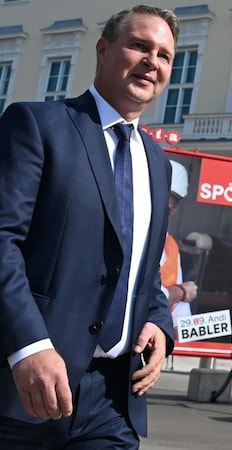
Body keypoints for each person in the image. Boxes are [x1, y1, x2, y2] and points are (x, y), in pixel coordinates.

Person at [0, 5, 180, 448]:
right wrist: (28, 347)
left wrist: (159, 324)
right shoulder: (38, 125)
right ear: (103, 50)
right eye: (139, 45)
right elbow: (3, 241)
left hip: (112, 402)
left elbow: (144, 266)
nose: (151, 62)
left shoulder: (158, 163)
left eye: (164, 55)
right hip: (26, 387)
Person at [161, 160, 198, 336]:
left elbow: (180, 325)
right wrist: (179, 292)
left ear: (175, 208)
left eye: (165, 204)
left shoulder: (170, 247)